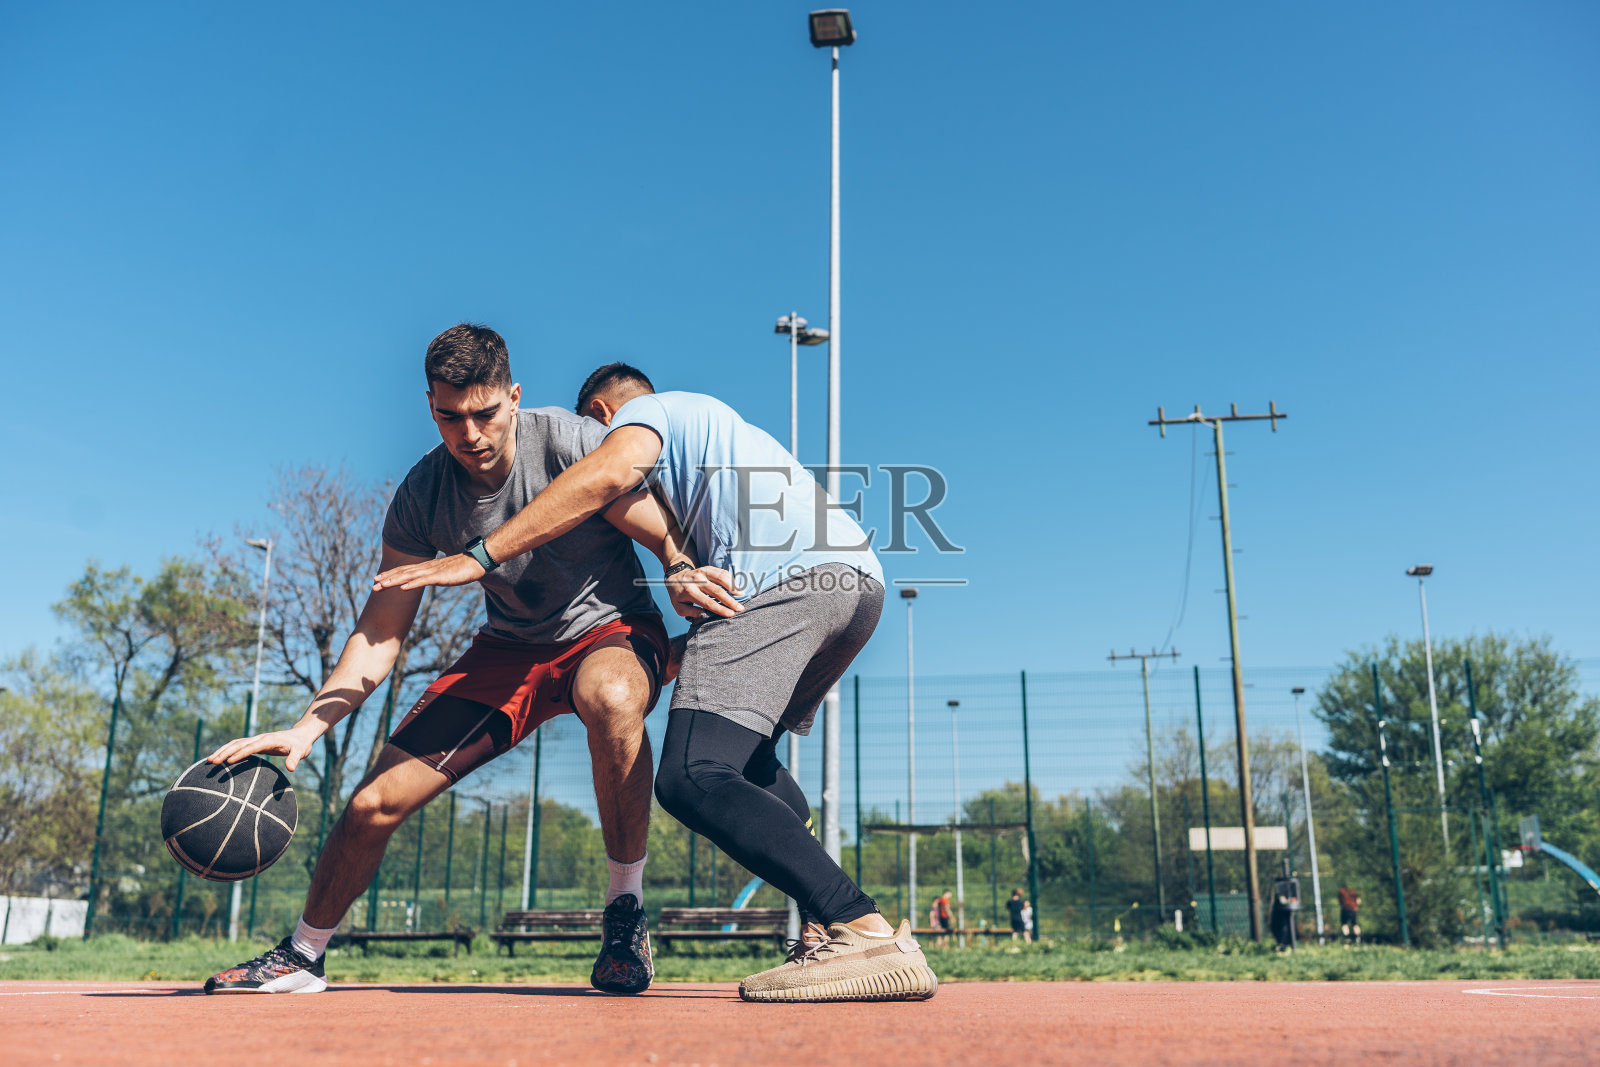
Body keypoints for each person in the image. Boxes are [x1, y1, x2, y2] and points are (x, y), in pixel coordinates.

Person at [376, 365, 939, 1003]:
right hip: (855, 587)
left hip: (784, 586)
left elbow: (606, 475)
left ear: (600, 414)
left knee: (692, 775)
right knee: (747, 766)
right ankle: (820, 933)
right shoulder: (720, 443)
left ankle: (859, 925)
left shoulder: (651, 416)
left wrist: (480, 555)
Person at [201, 327, 730, 996]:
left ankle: (624, 910)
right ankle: (304, 955)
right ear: (431, 407)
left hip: (611, 629)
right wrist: (311, 724)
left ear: (514, 397)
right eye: (451, 416)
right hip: (508, 650)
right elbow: (381, 630)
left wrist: (680, 566)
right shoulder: (423, 494)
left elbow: (654, 522)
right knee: (370, 803)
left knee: (614, 699)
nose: (470, 432)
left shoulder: (569, 440)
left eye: (485, 412)